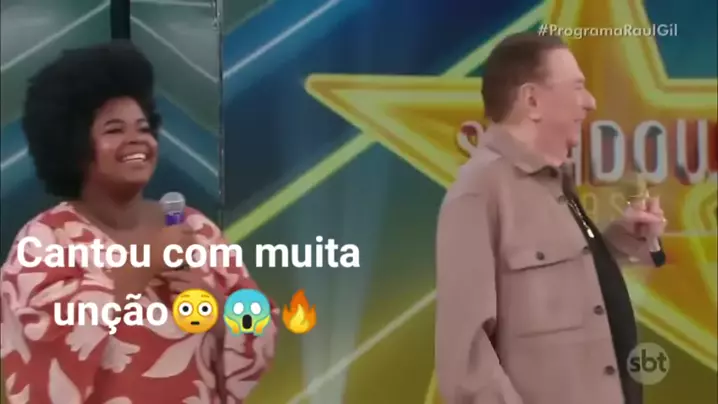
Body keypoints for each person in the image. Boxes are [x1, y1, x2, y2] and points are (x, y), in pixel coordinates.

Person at [0, 41, 278, 403]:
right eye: (114, 130)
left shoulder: (196, 229)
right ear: (74, 145)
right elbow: (40, 354)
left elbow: (261, 325)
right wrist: (147, 263)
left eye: (144, 128)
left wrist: (222, 308)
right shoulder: (45, 240)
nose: (137, 141)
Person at [435, 33, 666, 404]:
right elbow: (467, 366)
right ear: (532, 100)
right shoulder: (479, 192)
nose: (590, 102)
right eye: (577, 87)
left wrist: (617, 242)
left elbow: (554, 289)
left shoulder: (552, 182)